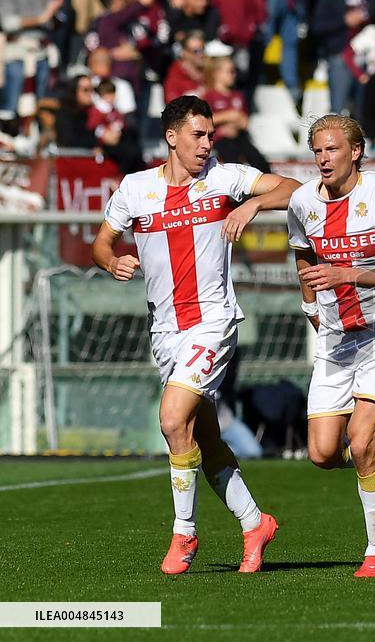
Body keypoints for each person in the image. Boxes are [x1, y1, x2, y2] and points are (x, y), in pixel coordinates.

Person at [90, 95, 299, 574]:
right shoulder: (136, 188)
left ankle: (184, 534)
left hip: (212, 322)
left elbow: (292, 188)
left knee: (170, 420)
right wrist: (112, 260)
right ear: (172, 137)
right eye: (198, 135)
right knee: (201, 437)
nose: (207, 144)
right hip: (165, 332)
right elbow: (101, 242)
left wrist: (253, 207)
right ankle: (255, 522)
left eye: (210, 135)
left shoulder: (227, 178)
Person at [286, 114, 375, 578]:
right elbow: (302, 250)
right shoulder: (303, 201)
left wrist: (347, 273)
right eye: (317, 151)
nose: (323, 158)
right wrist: (310, 304)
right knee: (323, 454)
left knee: (360, 442)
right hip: (337, 337)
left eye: (332, 149)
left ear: (355, 151)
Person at [0, 0, 64, 112]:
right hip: (17, 55)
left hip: (41, 54)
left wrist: (55, 15)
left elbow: (51, 24)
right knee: (11, 106)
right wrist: (41, 18)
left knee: (38, 106)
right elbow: (8, 23)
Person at [202, 55, 270, 171]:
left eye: (235, 71)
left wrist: (232, 123)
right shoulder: (209, 96)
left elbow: (244, 122)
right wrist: (230, 116)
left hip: (239, 138)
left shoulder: (238, 96)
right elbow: (204, 121)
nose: (234, 75)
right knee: (233, 161)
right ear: (217, 73)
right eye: (230, 71)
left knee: (259, 160)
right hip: (219, 140)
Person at [164, 31, 207, 102]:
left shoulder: (210, 71)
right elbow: (173, 107)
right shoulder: (175, 77)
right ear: (184, 53)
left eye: (203, 49)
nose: (201, 54)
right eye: (196, 51)